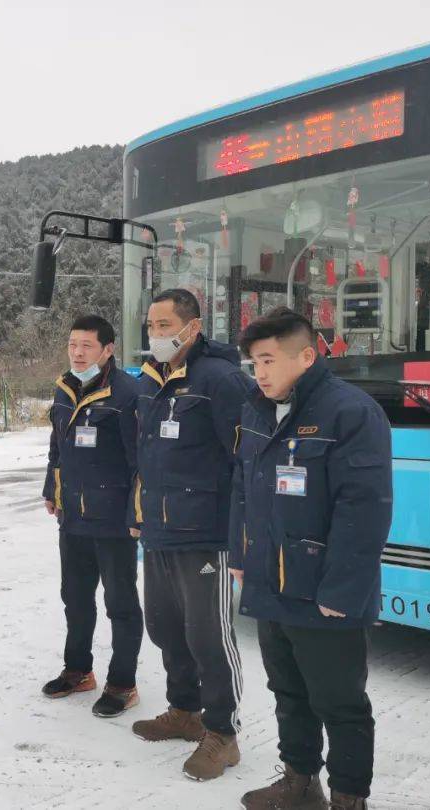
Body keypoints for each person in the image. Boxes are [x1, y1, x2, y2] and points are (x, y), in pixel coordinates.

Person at [229, 308, 392, 810]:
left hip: (325, 592)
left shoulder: (351, 412)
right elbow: (243, 488)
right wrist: (240, 554)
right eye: (254, 362)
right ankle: (300, 781)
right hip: (271, 583)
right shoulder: (257, 409)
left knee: (340, 703)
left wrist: (342, 591)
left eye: (268, 360)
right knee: (288, 693)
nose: (260, 372)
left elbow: (364, 510)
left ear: (306, 355)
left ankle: (348, 797)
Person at [128, 289, 252, 781]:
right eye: (151, 325)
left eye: (164, 325)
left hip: (205, 533)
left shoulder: (220, 380)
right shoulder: (151, 380)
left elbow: (245, 463)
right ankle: (185, 710)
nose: (155, 334)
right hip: (159, 530)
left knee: (209, 635)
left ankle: (223, 733)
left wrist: (241, 533)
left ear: (192, 328)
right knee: (163, 626)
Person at [41, 314, 143, 718]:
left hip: (115, 520)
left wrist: (138, 513)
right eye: (72, 345)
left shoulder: (127, 394)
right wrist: (52, 488)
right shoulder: (65, 388)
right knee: (76, 598)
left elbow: (140, 461)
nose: (78, 353)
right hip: (74, 518)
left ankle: (123, 682)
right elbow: (57, 446)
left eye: (86, 345)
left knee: (120, 603)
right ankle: (79, 670)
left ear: (108, 349)